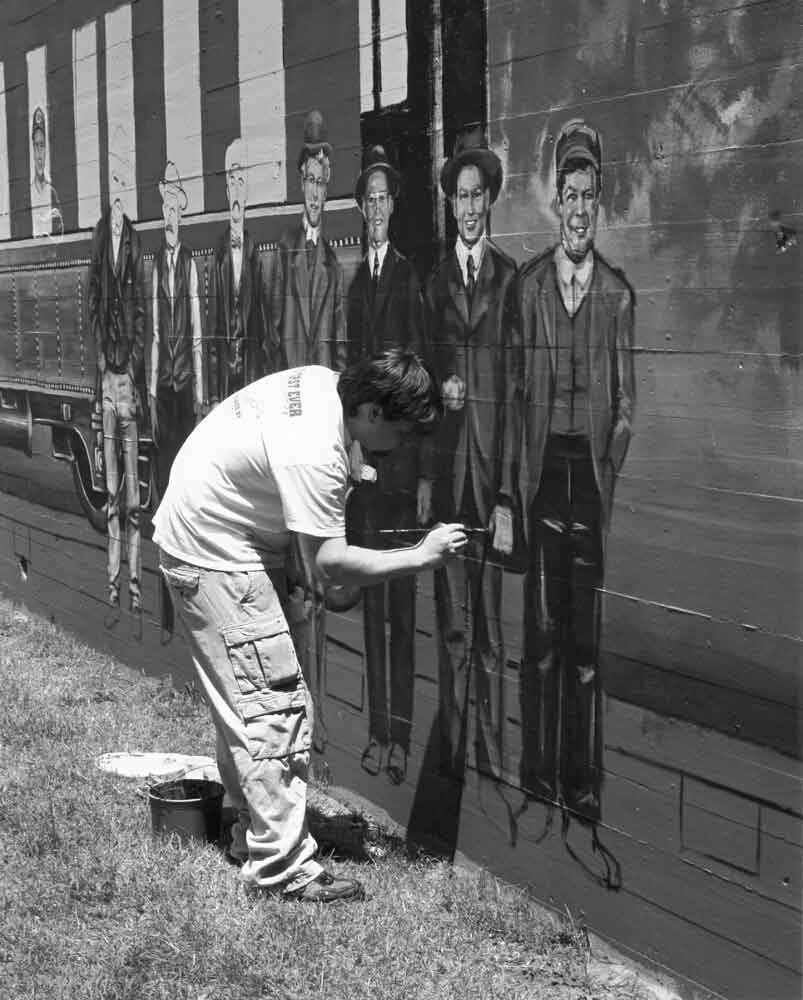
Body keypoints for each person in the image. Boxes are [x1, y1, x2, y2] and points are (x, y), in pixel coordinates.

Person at [152, 350, 466, 902]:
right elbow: (332, 566)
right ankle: (280, 869)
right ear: (370, 411)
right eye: (400, 431)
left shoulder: (326, 387)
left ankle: (255, 837)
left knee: (247, 704)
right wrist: (422, 554)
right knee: (273, 707)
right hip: (219, 555)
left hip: (211, 537)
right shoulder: (314, 452)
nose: (403, 446)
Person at [513, 119, 636, 821]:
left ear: (599, 204)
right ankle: (537, 778)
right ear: (555, 202)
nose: (580, 208)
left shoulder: (616, 296)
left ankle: (580, 785)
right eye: (569, 194)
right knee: (539, 642)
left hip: (584, 481)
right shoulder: (529, 289)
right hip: (538, 480)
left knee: (583, 647)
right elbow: (513, 394)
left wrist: (605, 473)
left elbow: (625, 405)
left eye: (590, 195)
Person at [420, 125, 519, 780]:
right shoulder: (431, 285)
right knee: (453, 624)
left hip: (491, 479)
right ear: (450, 205)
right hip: (448, 478)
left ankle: (492, 751)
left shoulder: (511, 280)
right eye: (460, 195)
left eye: (478, 193)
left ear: (489, 200)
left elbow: (517, 391)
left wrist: (510, 493)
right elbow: (419, 388)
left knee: (490, 629)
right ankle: (457, 750)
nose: (470, 206)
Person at [346, 145, 425, 784]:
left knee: (403, 605)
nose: (375, 210)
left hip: (399, 475)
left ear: (394, 207)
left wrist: (416, 471)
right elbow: (350, 382)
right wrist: (352, 453)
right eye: (367, 201)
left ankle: (402, 737)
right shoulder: (354, 287)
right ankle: (376, 733)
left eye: (383, 199)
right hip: (365, 478)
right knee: (374, 604)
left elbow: (418, 387)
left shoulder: (410, 279)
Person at [88, 148, 146, 617]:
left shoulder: (135, 241)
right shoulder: (99, 237)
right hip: (108, 379)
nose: (120, 193)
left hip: (127, 379)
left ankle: (135, 588)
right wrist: (99, 368)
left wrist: (135, 368)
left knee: (132, 498)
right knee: (111, 494)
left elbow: (141, 310)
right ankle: (111, 588)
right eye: (115, 185)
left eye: (125, 185)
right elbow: (92, 304)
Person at [269, 109, 346, 371]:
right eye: (311, 181)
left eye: (321, 183)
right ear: (301, 182)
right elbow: (272, 333)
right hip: (290, 388)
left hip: (321, 392)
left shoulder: (333, 266)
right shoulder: (285, 250)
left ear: (327, 190)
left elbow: (340, 348)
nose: (315, 193)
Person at [148, 161, 203, 499]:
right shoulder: (156, 264)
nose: (170, 216)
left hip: (184, 383)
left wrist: (199, 395)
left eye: (174, 209)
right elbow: (155, 332)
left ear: (181, 217)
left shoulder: (189, 262)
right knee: (164, 457)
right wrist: (152, 393)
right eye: (165, 208)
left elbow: (197, 332)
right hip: (165, 385)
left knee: (187, 457)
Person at [207, 138, 269, 405]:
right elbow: (210, 332)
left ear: (246, 195)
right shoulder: (217, 256)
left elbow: (265, 327)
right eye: (231, 181)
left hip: (249, 372)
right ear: (226, 191)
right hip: (224, 374)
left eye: (240, 182)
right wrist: (211, 391)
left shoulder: (256, 257)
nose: (235, 189)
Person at [30, 106, 63, 239]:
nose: (39, 154)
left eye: (42, 145)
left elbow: (60, 234)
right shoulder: (27, 192)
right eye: (36, 145)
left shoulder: (52, 193)